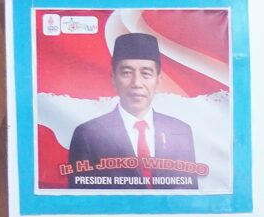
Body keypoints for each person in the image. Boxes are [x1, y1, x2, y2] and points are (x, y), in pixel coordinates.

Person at [65, 32, 199, 189]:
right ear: (113, 79)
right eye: (127, 73)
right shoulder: (88, 135)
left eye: (146, 74)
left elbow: (189, 194)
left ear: (158, 80)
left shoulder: (180, 131)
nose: (136, 83)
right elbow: (82, 199)